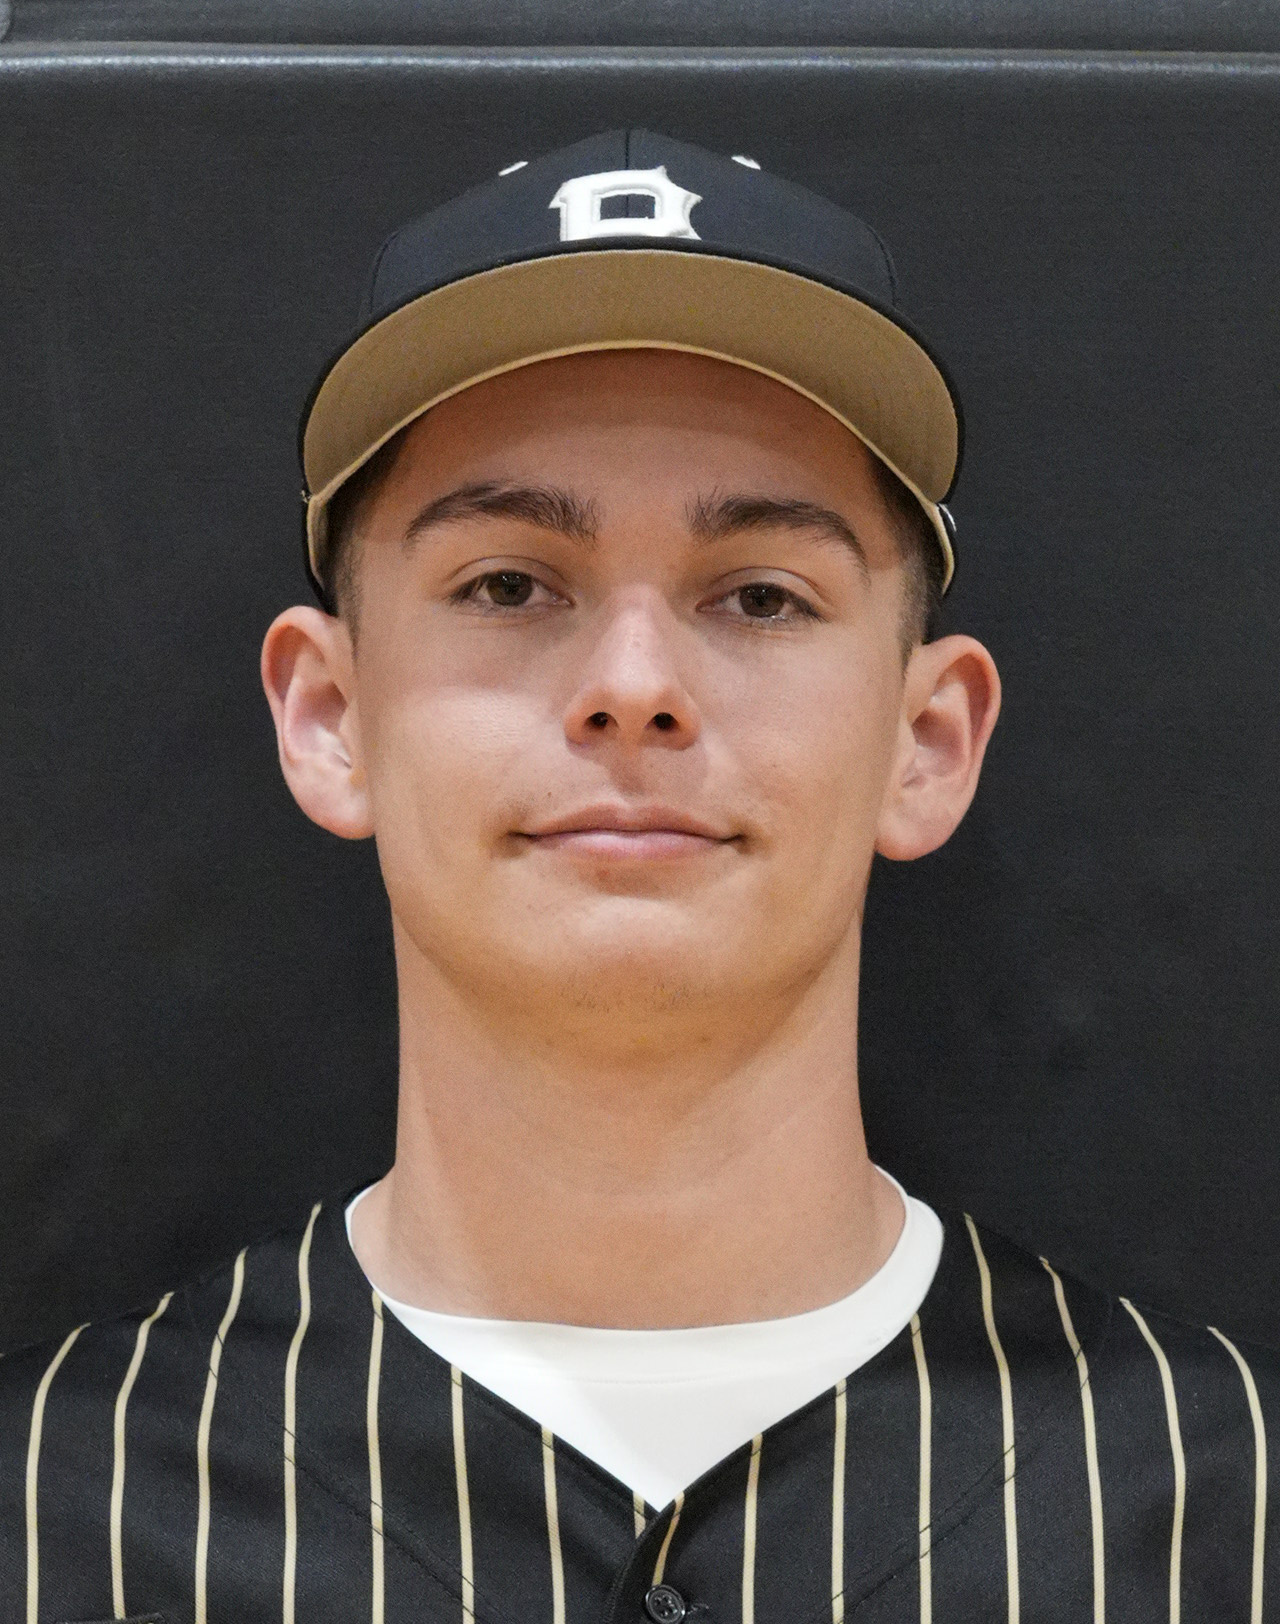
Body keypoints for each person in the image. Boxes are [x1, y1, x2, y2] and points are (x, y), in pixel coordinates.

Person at [1, 129, 1275, 1624]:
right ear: (329, 716)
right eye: (508, 583)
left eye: (758, 594)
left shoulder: (1223, 1500)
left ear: (926, 740)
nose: (633, 685)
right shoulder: (45, 1506)